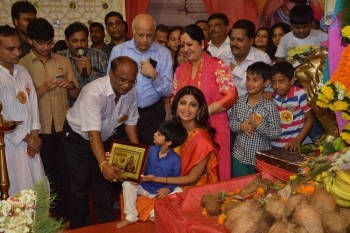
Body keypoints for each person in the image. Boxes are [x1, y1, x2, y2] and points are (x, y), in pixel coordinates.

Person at [62, 56, 139, 228]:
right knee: (81, 182)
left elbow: (131, 123)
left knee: (105, 183)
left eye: (131, 81)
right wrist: (103, 163)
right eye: (122, 80)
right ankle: (79, 226)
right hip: (77, 137)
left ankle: (106, 225)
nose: (126, 85)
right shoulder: (94, 92)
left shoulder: (131, 92)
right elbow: (92, 133)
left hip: (104, 136)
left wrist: (138, 153)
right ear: (110, 74)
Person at [18, 18, 80, 220]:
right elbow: (21, 102)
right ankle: (44, 218)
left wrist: (71, 86)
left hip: (63, 128)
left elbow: (76, 95)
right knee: (43, 177)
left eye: (49, 43)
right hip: (39, 130)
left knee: (65, 174)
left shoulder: (62, 61)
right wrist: (43, 89)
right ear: (30, 40)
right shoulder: (23, 65)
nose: (46, 47)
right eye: (41, 43)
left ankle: (65, 217)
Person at [173, 24, 238, 181]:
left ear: (202, 43)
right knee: (189, 171)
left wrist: (205, 110)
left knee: (216, 169)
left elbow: (231, 94)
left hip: (215, 126)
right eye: (183, 45)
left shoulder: (217, 65)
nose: (186, 49)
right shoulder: (180, 69)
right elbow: (174, 98)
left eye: (190, 44)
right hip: (187, 129)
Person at [107, 13, 173, 146]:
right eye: (140, 35)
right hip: (124, 111)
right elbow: (109, 83)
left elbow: (168, 91)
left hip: (152, 114)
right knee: (126, 155)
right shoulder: (119, 50)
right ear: (133, 31)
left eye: (149, 36)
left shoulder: (164, 53)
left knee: (153, 153)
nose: (144, 40)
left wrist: (155, 76)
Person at [0, 25, 46, 196]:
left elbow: (33, 104)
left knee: (36, 187)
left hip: (31, 144)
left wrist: (35, 135)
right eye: (10, 49)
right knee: (16, 191)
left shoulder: (23, 71)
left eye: (19, 47)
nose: (17, 53)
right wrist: (27, 139)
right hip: (9, 145)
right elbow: (1, 118)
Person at [143, 86, 219, 187]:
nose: (187, 109)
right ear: (176, 105)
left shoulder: (202, 140)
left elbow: (192, 179)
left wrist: (159, 180)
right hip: (163, 183)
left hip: (189, 191)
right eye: (183, 103)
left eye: (193, 105)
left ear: (199, 109)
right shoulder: (171, 129)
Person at [117, 119, 187, 228]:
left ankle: (155, 214)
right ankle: (131, 216)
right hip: (145, 186)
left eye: (159, 134)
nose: (154, 134)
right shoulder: (150, 150)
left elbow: (175, 179)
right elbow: (140, 168)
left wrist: (167, 189)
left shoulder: (176, 160)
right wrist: (137, 178)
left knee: (179, 191)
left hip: (160, 191)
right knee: (127, 184)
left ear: (168, 142)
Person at [229, 62, 281, 178]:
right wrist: (241, 126)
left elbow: (276, 133)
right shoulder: (239, 101)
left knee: (259, 191)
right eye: (248, 79)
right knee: (239, 189)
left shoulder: (270, 106)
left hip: (260, 160)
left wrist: (259, 125)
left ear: (266, 83)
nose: (249, 83)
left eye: (255, 80)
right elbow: (231, 123)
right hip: (239, 157)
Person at [270, 61, 314, 149]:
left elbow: (310, 119)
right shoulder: (273, 96)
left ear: (292, 80)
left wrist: (297, 140)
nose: (277, 86)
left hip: (293, 145)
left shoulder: (299, 94)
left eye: (281, 81)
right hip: (274, 144)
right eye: (274, 82)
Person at [59, 22, 108, 91]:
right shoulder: (60, 57)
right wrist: (78, 74)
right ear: (67, 42)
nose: (80, 45)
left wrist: (91, 74)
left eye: (83, 40)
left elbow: (108, 84)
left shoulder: (100, 55)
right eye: (75, 41)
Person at [230, 19, 271, 97]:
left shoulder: (262, 58)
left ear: (251, 41)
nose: (234, 43)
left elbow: (266, 90)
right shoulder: (223, 57)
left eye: (239, 40)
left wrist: (236, 70)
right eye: (232, 39)